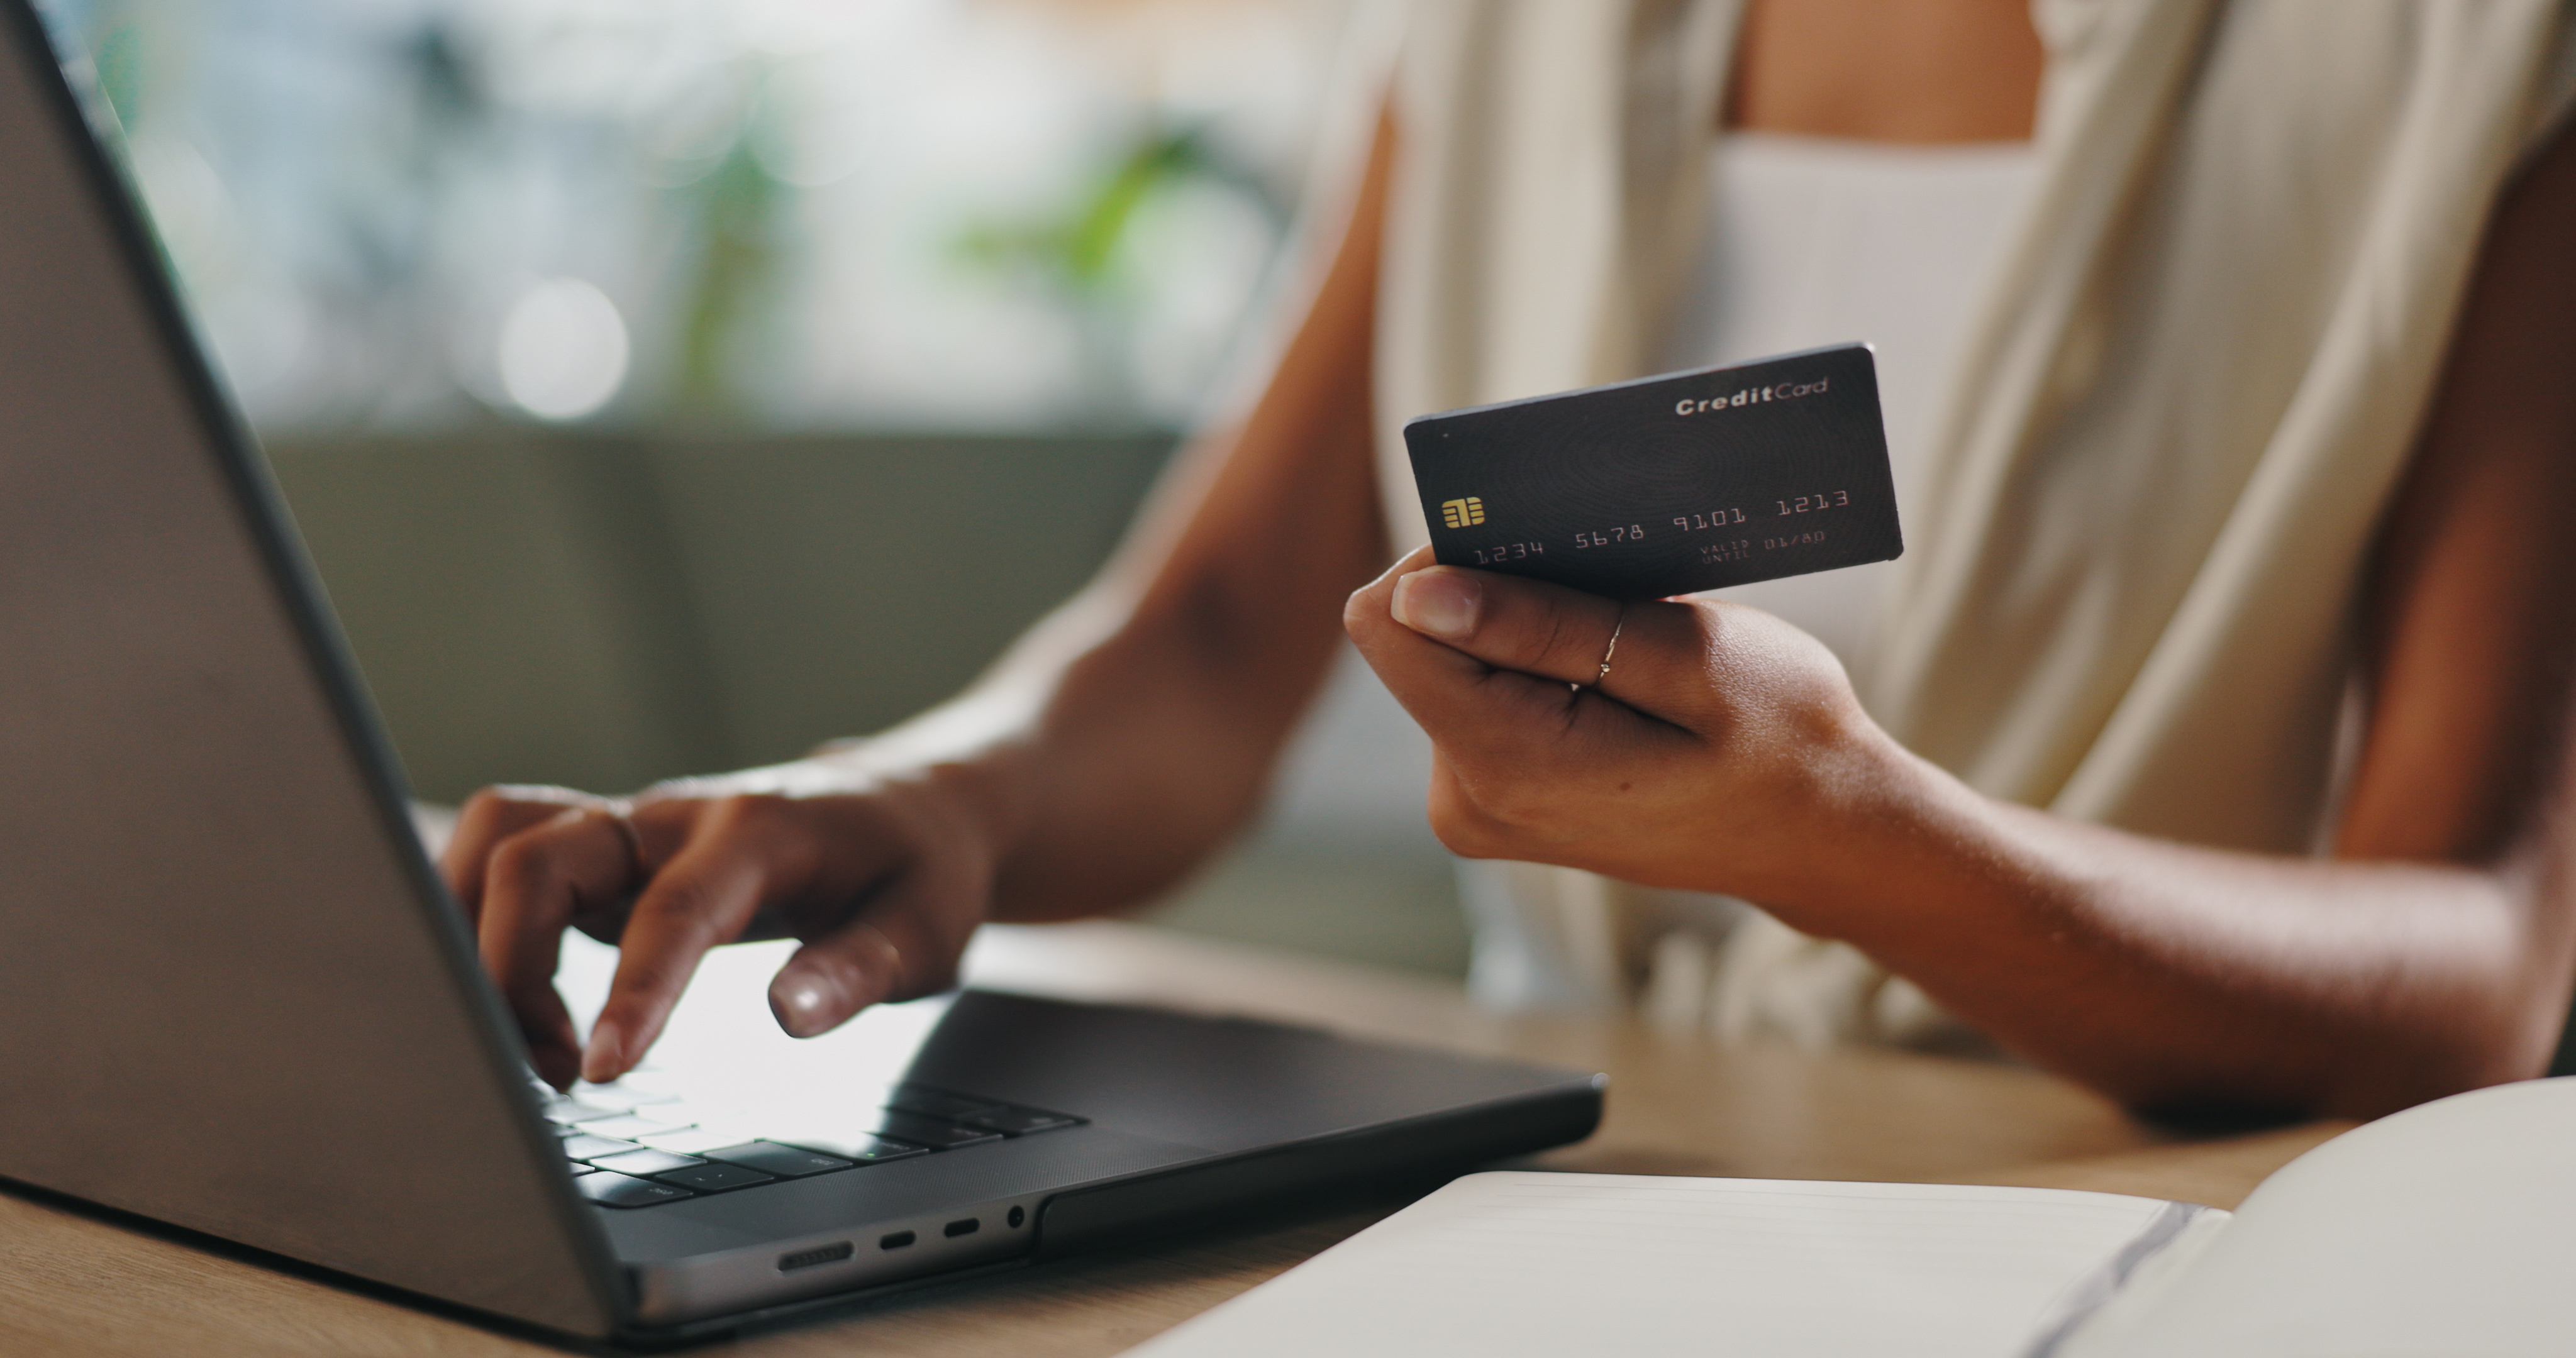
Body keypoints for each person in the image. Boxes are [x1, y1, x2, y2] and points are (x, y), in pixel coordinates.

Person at [445, 0, 2576, 1121]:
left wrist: (1853, 839)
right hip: (1580, 1173)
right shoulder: (1500, 23)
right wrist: (929, 799)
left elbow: (2482, 978)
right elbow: (1210, 640)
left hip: (2125, 1228)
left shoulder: (2470, 50)